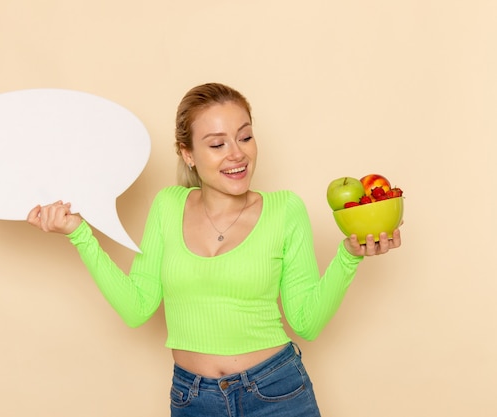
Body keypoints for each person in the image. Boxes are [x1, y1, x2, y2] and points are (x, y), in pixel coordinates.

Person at [27, 82, 402, 417]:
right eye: (217, 144)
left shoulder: (285, 210)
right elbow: (136, 307)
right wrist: (80, 234)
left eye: (245, 137)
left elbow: (307, 321)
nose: (237, 154)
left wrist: (349, 255)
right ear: (187, 153)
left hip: (277, 392)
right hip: (193, 399)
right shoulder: (167, 205)